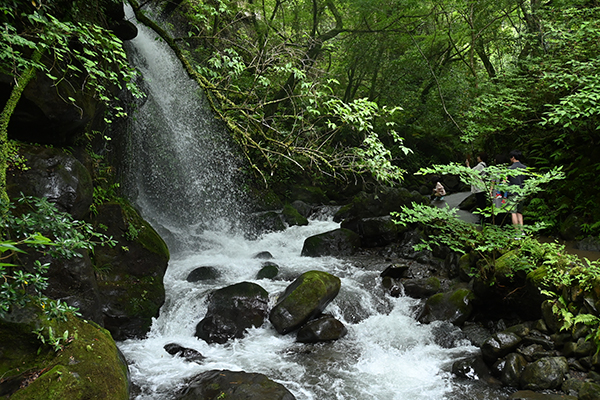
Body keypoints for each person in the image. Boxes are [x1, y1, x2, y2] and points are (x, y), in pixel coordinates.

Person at [507, 149, 527, 231]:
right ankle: (521, 231)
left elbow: (505, 181)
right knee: (520, 212)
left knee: (513, 212)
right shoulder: (525, 168)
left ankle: (516, 232)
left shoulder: (509, 169)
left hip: (512, 193)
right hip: (522, 192)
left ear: (513, 158)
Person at [466, 152, 488, 220]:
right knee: (482, 203)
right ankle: (483, 218)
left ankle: (483, 219)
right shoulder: (484, 165)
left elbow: (472, 173)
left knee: (481, 204)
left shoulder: (480, 166)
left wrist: (467, 165)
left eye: (479, 156)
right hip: (482, 187)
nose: (477, 158)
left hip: (479, 188)